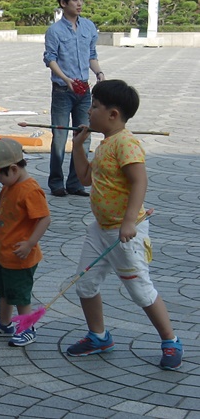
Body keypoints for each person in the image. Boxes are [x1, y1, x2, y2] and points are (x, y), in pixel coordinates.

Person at [69, 80, 183, 370]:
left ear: (113, 114)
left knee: (140, 290)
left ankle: (170, 340)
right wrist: (79, 146)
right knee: (85, 284)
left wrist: (130, 221)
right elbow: (84, 178)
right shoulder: (106, 143)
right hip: (100, 228)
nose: (89, 112)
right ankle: (98, 336)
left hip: (125, 231)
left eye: (94, 106)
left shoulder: (126, 143)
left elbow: (139, 181)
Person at [0, 138, 51, 347]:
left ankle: (27, 328)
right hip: (4, 254)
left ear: (13, 169)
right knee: (4, 291)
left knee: (20, 295)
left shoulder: (30, 190)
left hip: (21, 256)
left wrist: (30, 243)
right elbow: (2, 209)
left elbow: (44, 218)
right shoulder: (9, 186)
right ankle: (5, 323)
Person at [43, 0, 105, 197]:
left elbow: (92, 55)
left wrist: (99, 74)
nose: (79, 3)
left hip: (84, 91)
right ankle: (56, 183)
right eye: (75, 0)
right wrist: (66, 79)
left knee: (84, 135)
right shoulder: (55, 31)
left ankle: (76, 182)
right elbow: (50, 59)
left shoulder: (88, 27)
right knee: (60, 136)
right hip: (62, 90)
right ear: (63, 3)